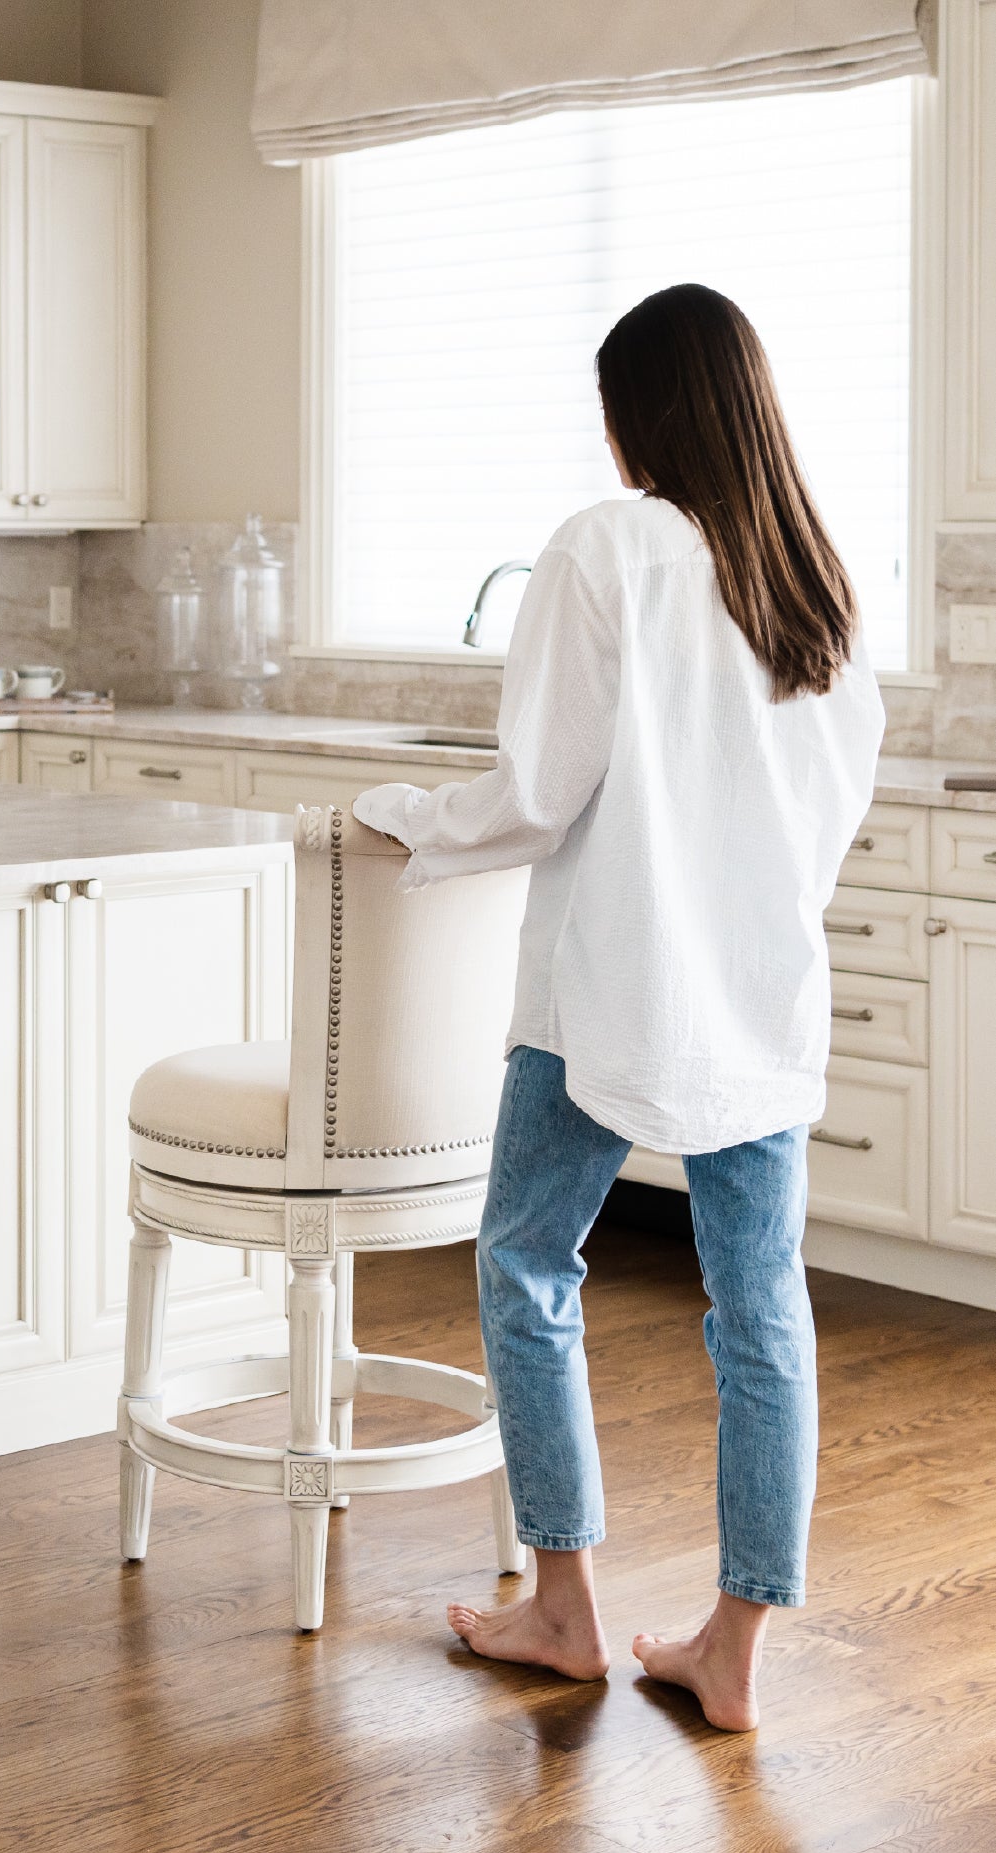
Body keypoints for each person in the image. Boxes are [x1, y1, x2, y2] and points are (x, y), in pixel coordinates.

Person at [354, 283, 884, 1732]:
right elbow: (822, 807)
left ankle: (565, 1608)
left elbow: (534, 794)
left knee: (528, 1268)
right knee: (760, 1314)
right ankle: (730, 1651)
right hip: (759, 997)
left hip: (601, 993)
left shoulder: (607, 547)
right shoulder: (813, 573)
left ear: (633, 415)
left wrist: (396, 815)